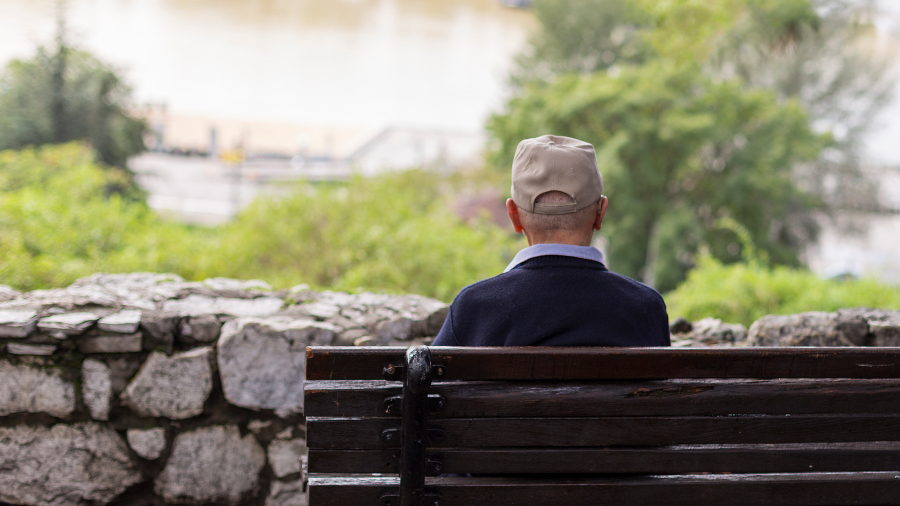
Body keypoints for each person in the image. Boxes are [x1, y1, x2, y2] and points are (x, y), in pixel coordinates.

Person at [433, 134, 670, 347]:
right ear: (600, 213)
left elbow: (427, 385)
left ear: (514, 216)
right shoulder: (646, 308)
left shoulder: (474, 308)